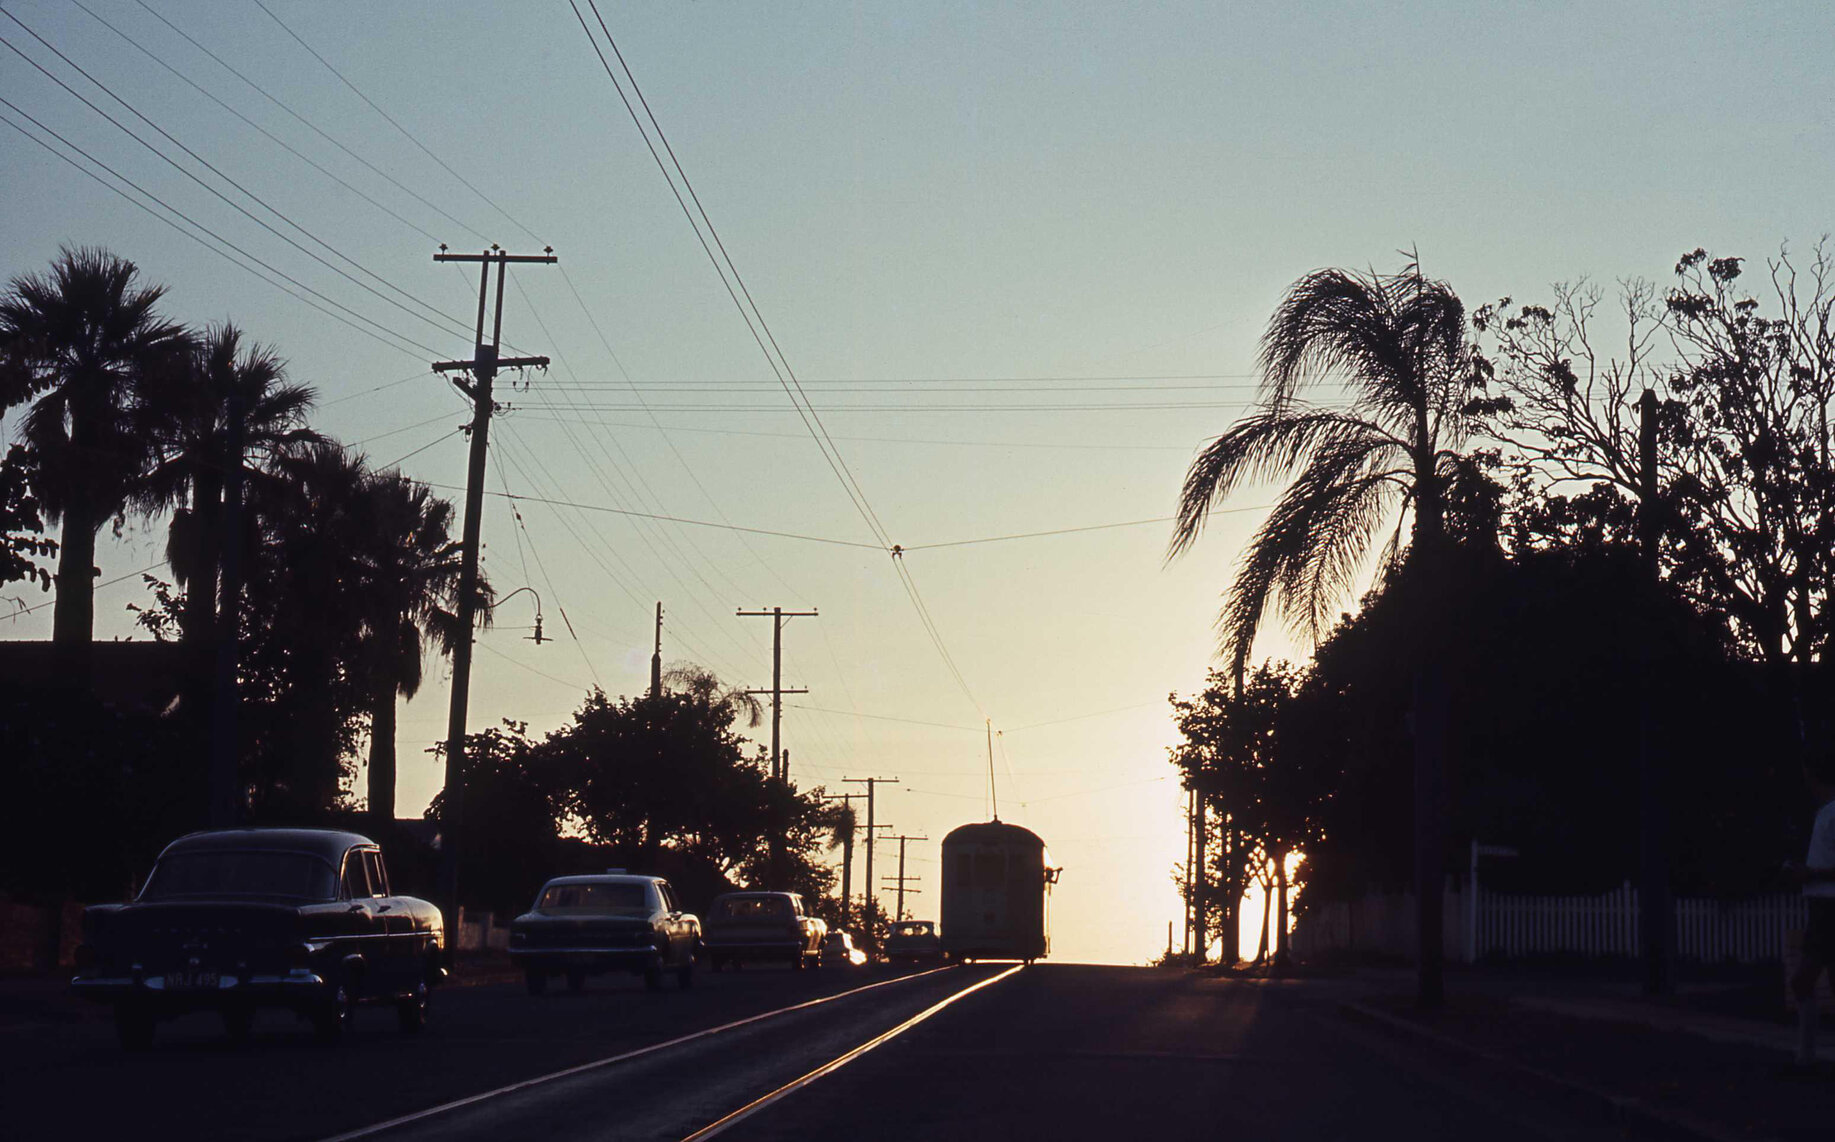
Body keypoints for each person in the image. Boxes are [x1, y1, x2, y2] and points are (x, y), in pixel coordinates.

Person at [1785, 750, 1835, 1070]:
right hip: (1821, 907)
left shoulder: (1833, 814)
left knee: (1803, 982)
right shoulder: (1823, 814)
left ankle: (1806, 1057)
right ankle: (1807, 1057)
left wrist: (1810, 874)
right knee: (1809, 982)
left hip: (1830, 908)